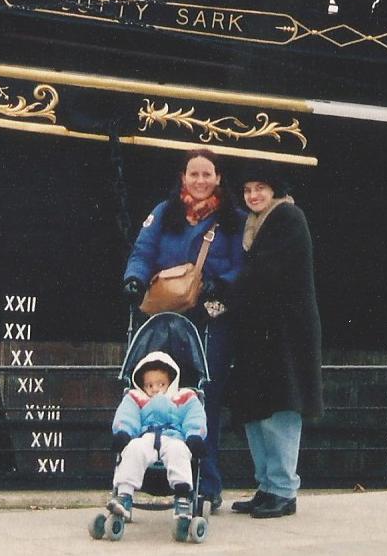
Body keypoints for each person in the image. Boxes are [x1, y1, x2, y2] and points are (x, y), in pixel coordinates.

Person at [122, 148, 246, 511]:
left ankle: (207, 482)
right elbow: (143, 251)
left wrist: (221, 282)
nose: (201, 180)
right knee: (158, 393)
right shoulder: (165, 212)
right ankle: (152, 477)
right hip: (165, 318)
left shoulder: (233, 220)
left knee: (204, 398)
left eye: (208, 174)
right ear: (183, 177)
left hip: (209, 320)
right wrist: (134, 279)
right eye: (194, 174)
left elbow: (243, 265)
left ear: (219, 177)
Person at [227, 162, 323, 519]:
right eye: (248, 189)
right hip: (261, 332)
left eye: (260, 188)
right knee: (256, 410)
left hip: (285, 332)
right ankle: (267, 486)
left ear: (275, 190)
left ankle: (283, 491)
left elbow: (266, 273)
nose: (253, 195)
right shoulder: (255, 224)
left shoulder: (287, 218)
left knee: (280, 408)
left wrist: (224, 292)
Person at [107, 350, 207, 522]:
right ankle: (124, 495)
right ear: (142, 385)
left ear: (171, 382)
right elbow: (127, 416)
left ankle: (183, 496)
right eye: (149, 385)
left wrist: (194, 435)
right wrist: (124, 433)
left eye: (161, 384)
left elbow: (195, 416)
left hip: (174, 437)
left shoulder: (184, 397)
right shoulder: (136, 397)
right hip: (146, 437)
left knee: (179, 451)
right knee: (132, 449)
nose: (155, 389)